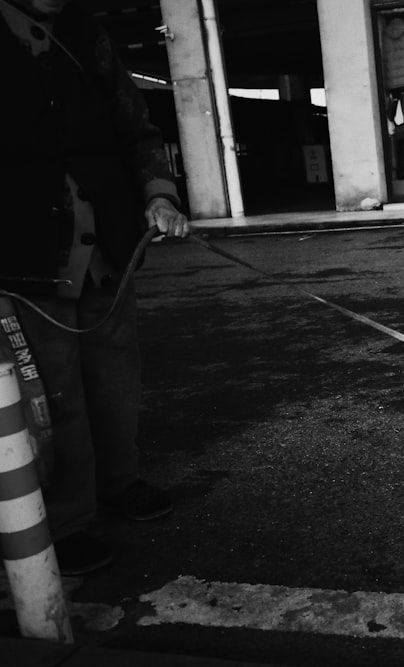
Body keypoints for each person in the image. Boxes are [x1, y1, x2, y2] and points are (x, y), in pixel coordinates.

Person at [0, 0, 190, 575]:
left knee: (114, 378)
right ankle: (67, 519)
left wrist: (159, 194)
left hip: (106, 245)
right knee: (52, 394)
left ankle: (120, 480)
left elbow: (137, 128)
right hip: (24, 252)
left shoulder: (87, 32)